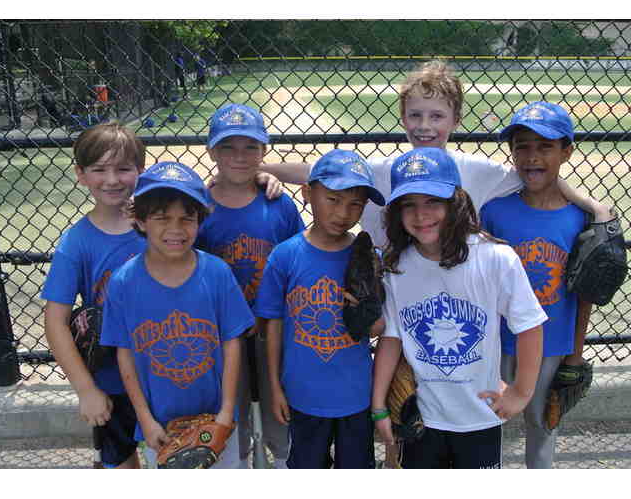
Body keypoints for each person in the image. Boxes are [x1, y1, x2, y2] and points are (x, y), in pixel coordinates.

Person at [258, 60, 612, 248]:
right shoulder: (386, 169)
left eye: (437, 116)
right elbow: (317, 172)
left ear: (455, 120)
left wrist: (593, 207)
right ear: (403, 118)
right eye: (415, 115)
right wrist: (259, 170)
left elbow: (535, 174)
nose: (424, 126)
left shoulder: (475, 170)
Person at [372, 147, 547, 469]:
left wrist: (521, 391)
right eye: (409, 204)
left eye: (433, 201)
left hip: (480, 414)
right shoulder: (398, 267)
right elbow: (392, 337)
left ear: (456, 201)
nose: (421, 215)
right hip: (422, 416)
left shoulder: (494, 258)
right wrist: (379, 405)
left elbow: (529, 325)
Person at [99, 162, 255, 469]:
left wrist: (226, 412)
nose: (176, 229)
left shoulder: (217, 273)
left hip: (216, 419)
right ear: (140, 220)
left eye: (187, 218)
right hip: (161, 426)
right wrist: (145, 420)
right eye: (162, 218)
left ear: (200, 220)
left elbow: (232, 343)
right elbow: (125, 354)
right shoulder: (123, 282)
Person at [253, 149, 386, 469]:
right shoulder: (285, 256)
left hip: (355, 393)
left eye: (356, 204)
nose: (343, 213)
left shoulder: (367, 257)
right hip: (303, 393)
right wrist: (275, 386)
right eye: (333, 199)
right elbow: (273, 324)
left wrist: (367, 315)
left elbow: (379, 328)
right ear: (307, 193)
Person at [480, 101, 593, 468]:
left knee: (542, 425)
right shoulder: (494, 211)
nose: (532, 157)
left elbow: (585, 294)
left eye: (545, 147)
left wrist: (575, 354)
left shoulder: (580, 219)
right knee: (486, 424)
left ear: (566, 152)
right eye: (522, 147)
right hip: (498, 341)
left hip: (553, 344)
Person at [195, 103, 305, 469]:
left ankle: (286, 463)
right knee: (232, 417)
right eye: (228, 147)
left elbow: (297, 266)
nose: (239, 157)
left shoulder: (278, 203)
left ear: (263, 151)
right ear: (211, 151)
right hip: (220, 335)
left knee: (280, 417)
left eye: (250, 147)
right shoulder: (199, 208)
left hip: (272, 331)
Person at [41, 122, 146, 469]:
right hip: (111, 377)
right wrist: (86, 389)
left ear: (141, 169)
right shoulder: (77, 242)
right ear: (81, 174)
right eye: (99, 169)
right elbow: (55, 322)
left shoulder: (161, 225)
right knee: (122, 460)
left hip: (165, 368)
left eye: (123, 168)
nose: (112, 180)